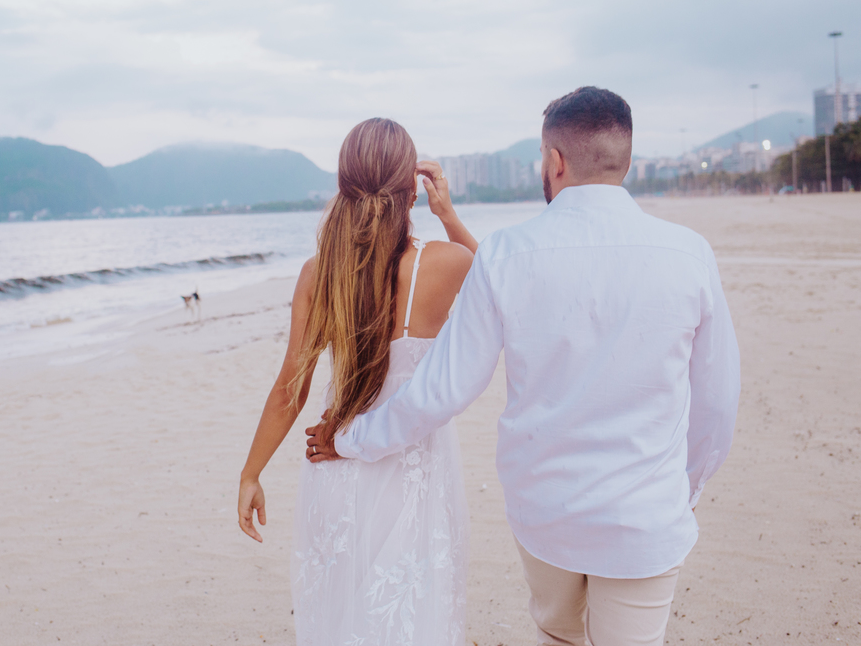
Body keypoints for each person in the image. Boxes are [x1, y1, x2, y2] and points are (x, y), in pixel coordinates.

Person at [308, 87, 742, 646]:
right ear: (625, 160)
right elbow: (717, 400)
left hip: (547, 512)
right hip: (646, 517)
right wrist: (680, 490)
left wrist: (353, 438)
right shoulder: (689, 254)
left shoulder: (508, 254)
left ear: (554, 160)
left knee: (557, 635)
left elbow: (441, 391)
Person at [237, 118, 480, 646]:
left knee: (342, 624)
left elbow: (290, 387)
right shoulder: (446, 263)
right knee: (413, 623)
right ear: (413, 188)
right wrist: (448, 215)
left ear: (343, 186)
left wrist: (250, 473)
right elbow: (501, 289)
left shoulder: (318, 273)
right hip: (414, 473)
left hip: (335, 468)